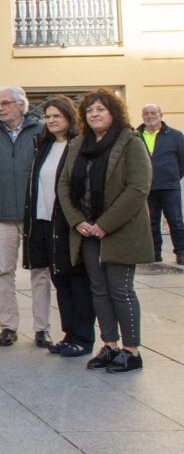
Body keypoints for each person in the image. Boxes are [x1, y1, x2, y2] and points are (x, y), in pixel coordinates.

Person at [59, 89, 153, 374]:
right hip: (87, 231)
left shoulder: (130, 141)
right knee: (99, 290)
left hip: (119, 230)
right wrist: (78, 221)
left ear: (113, 112)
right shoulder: (79, 144)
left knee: (120, 290)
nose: (95, 114)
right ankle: (110, 346)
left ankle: (131, 351)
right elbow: (64, 186)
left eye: (100, 109)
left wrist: (105, 224)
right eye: (89, 110)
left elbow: (138, 188)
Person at [25, 96, 92, 356]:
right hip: (43, 221)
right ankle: (68, 334)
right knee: (59, 279)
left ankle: (83, 337)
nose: (51, 121)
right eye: (48, 116)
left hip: (68, 223)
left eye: (57, 116)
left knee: (77, 281)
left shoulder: (79, 146)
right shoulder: (45, 145)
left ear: (70, 118)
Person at [0, 86, 47, 347]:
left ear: (22, 105)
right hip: (0, 213)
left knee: (40, 272)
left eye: (6, 103)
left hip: (35, 213)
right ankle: (8, 326)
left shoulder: (42, 130)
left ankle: (42, 328)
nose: (0, 108)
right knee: (3, 271)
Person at [138, 104, 184, 264]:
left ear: (161, 115)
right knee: (150, 222)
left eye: (153, 113)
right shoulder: (136, 135)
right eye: (146, 113)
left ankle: (181, 252)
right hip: (146, 187)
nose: (149, 116)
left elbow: (182, 160)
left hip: (169, 187)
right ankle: (154, 253)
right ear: (142, 116)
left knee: (176, 221)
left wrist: (173, 176)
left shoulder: (175, 136)